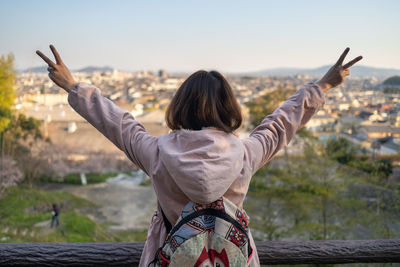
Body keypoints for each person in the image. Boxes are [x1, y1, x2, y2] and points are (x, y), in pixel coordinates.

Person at [36, 45, 362, 266]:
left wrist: (73, 86)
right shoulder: (245, 153)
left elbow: (118, 123)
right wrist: (322, 86)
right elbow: (279, 125)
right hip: (230, 258)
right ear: (228, 107)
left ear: (180, 106)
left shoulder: (158, 153)